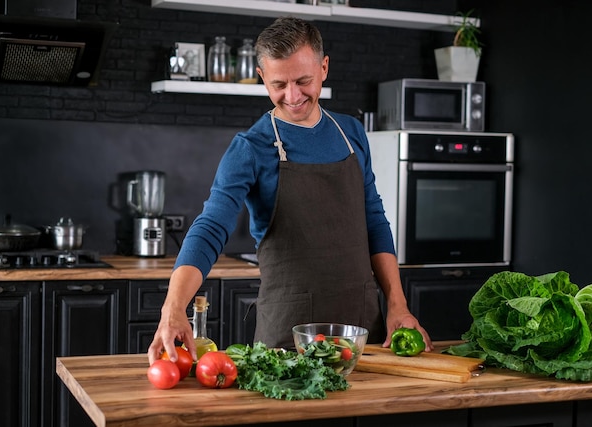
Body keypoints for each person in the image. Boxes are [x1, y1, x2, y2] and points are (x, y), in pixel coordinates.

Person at [148, 16, 432, 365]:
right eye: (279, 84)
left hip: (362, 335)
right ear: (262, 76)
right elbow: (210, 228)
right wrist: (174, 307)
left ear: (324, 67)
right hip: (287, 341)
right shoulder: (249, 147)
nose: (293, 96)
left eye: (303, 81)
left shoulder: (352, 133)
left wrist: (397, 305)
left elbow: (374, 220)